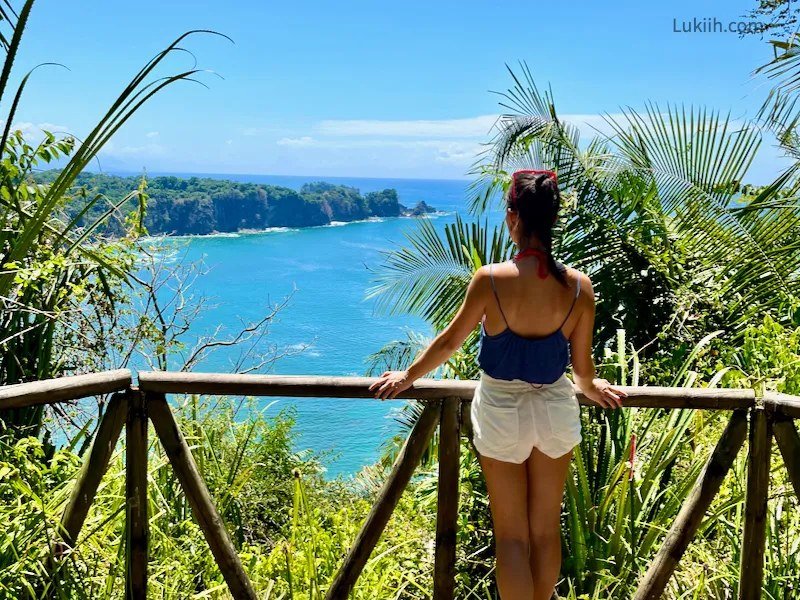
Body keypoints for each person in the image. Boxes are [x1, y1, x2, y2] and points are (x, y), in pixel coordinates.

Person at [369, 169, 626, 600]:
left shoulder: (490, 278)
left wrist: (408, 376)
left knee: (511, 536)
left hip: (501, 411)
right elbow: (582, 370)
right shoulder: (580, 286)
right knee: (546, 530)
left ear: (513, 217)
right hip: (556, 409)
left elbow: (450, 341)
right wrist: (594, 386)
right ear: (553, 219)